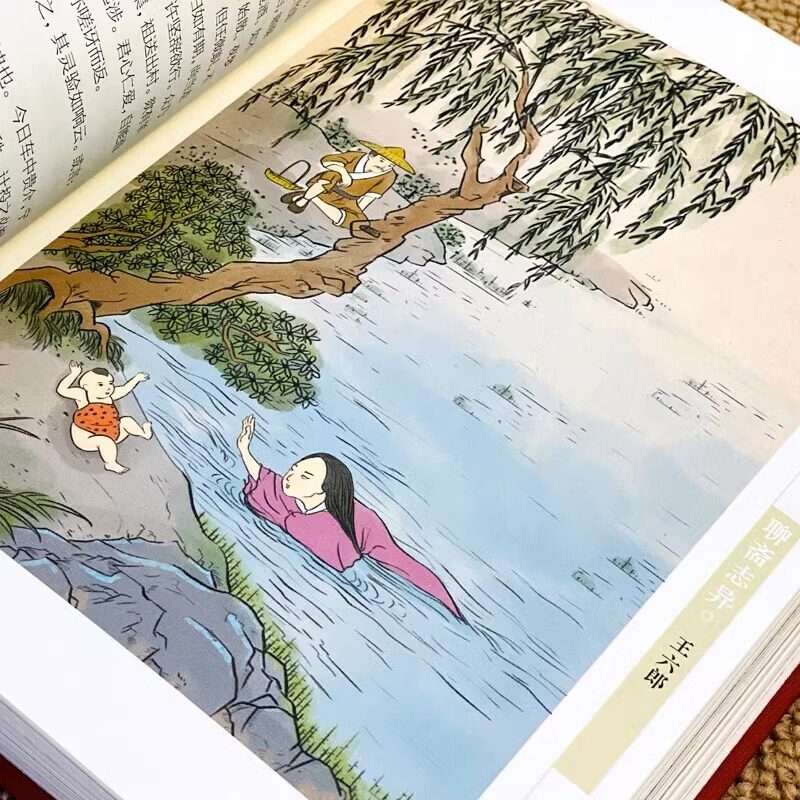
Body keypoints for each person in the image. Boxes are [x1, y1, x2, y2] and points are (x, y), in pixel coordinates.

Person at [236, 415, 463, 620]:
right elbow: (265, 478)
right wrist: (244, 450)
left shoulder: (341, 529)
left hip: (363, 534)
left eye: (304, 476)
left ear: (323, 490)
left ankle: (450, 608)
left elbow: (390, 562)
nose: (291, 476)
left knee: (402, 564)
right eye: (294, 469)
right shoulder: (287, 495)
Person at [280, 140, 415, 238]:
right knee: (333, 174)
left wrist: (357, 211)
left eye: (390, 165)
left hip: (348, 200)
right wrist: (343, 173)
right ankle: (303, 200)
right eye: (382, 161)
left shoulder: (389, 176)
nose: (384, 167)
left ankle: (311, 197)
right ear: (372, 155)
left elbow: (369, 196)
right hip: (329, 186)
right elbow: (327, 161)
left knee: (355, 222)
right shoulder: (357, 156)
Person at [57, 361, 152, 474]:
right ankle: (110, 463)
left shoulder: (110, 395)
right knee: (105, 441)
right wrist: (74, 374)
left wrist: (137, 378)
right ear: (86, 386)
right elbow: (61, 390)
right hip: (86, 437)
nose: (108, 388)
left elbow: (125, 389)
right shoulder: (82, 395)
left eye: (110, 383)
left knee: (126, 421)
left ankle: (144, 434)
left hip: (112, 433)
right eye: (101, 385)